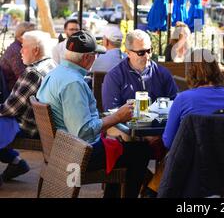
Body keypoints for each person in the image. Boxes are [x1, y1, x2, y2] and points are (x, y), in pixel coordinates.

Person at [37, 30, 151, 198]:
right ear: (87, 58)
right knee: (140, 151)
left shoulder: (54, 74)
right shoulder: (73, 83)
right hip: (76, 154)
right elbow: (82, 132)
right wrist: (117, 117)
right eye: (95, 55)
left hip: (60, 150)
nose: (96, 59)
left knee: (124, 147)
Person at [0, 30, 56, 183]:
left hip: (28, 127)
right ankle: (16, 163)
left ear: (36, 50)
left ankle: (16, 162)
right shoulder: (51, 64)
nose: (20, 51)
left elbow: (10, 109)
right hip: (40, 124)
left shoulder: (33, 73)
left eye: (23, 47)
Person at [163, 49, 224, 149]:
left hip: (191, 162)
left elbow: (168, 141)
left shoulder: (183, 99)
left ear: (190, 71)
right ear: (216, 68)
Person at [102, 29, 178, 111]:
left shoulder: (162, 73)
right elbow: (111, 110)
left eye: (149, 51)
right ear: (128, 53)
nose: (146, 56)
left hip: (160, 123)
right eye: (141, 53)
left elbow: (175, 103)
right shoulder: (115, 77)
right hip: (127, 123)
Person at [0, 22, 36, 91]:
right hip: (12, 91)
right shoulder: (17, 51)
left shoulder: (19, 46)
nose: (35, 38)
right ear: (21, 36)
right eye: (32, 35)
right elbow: (22, 77)